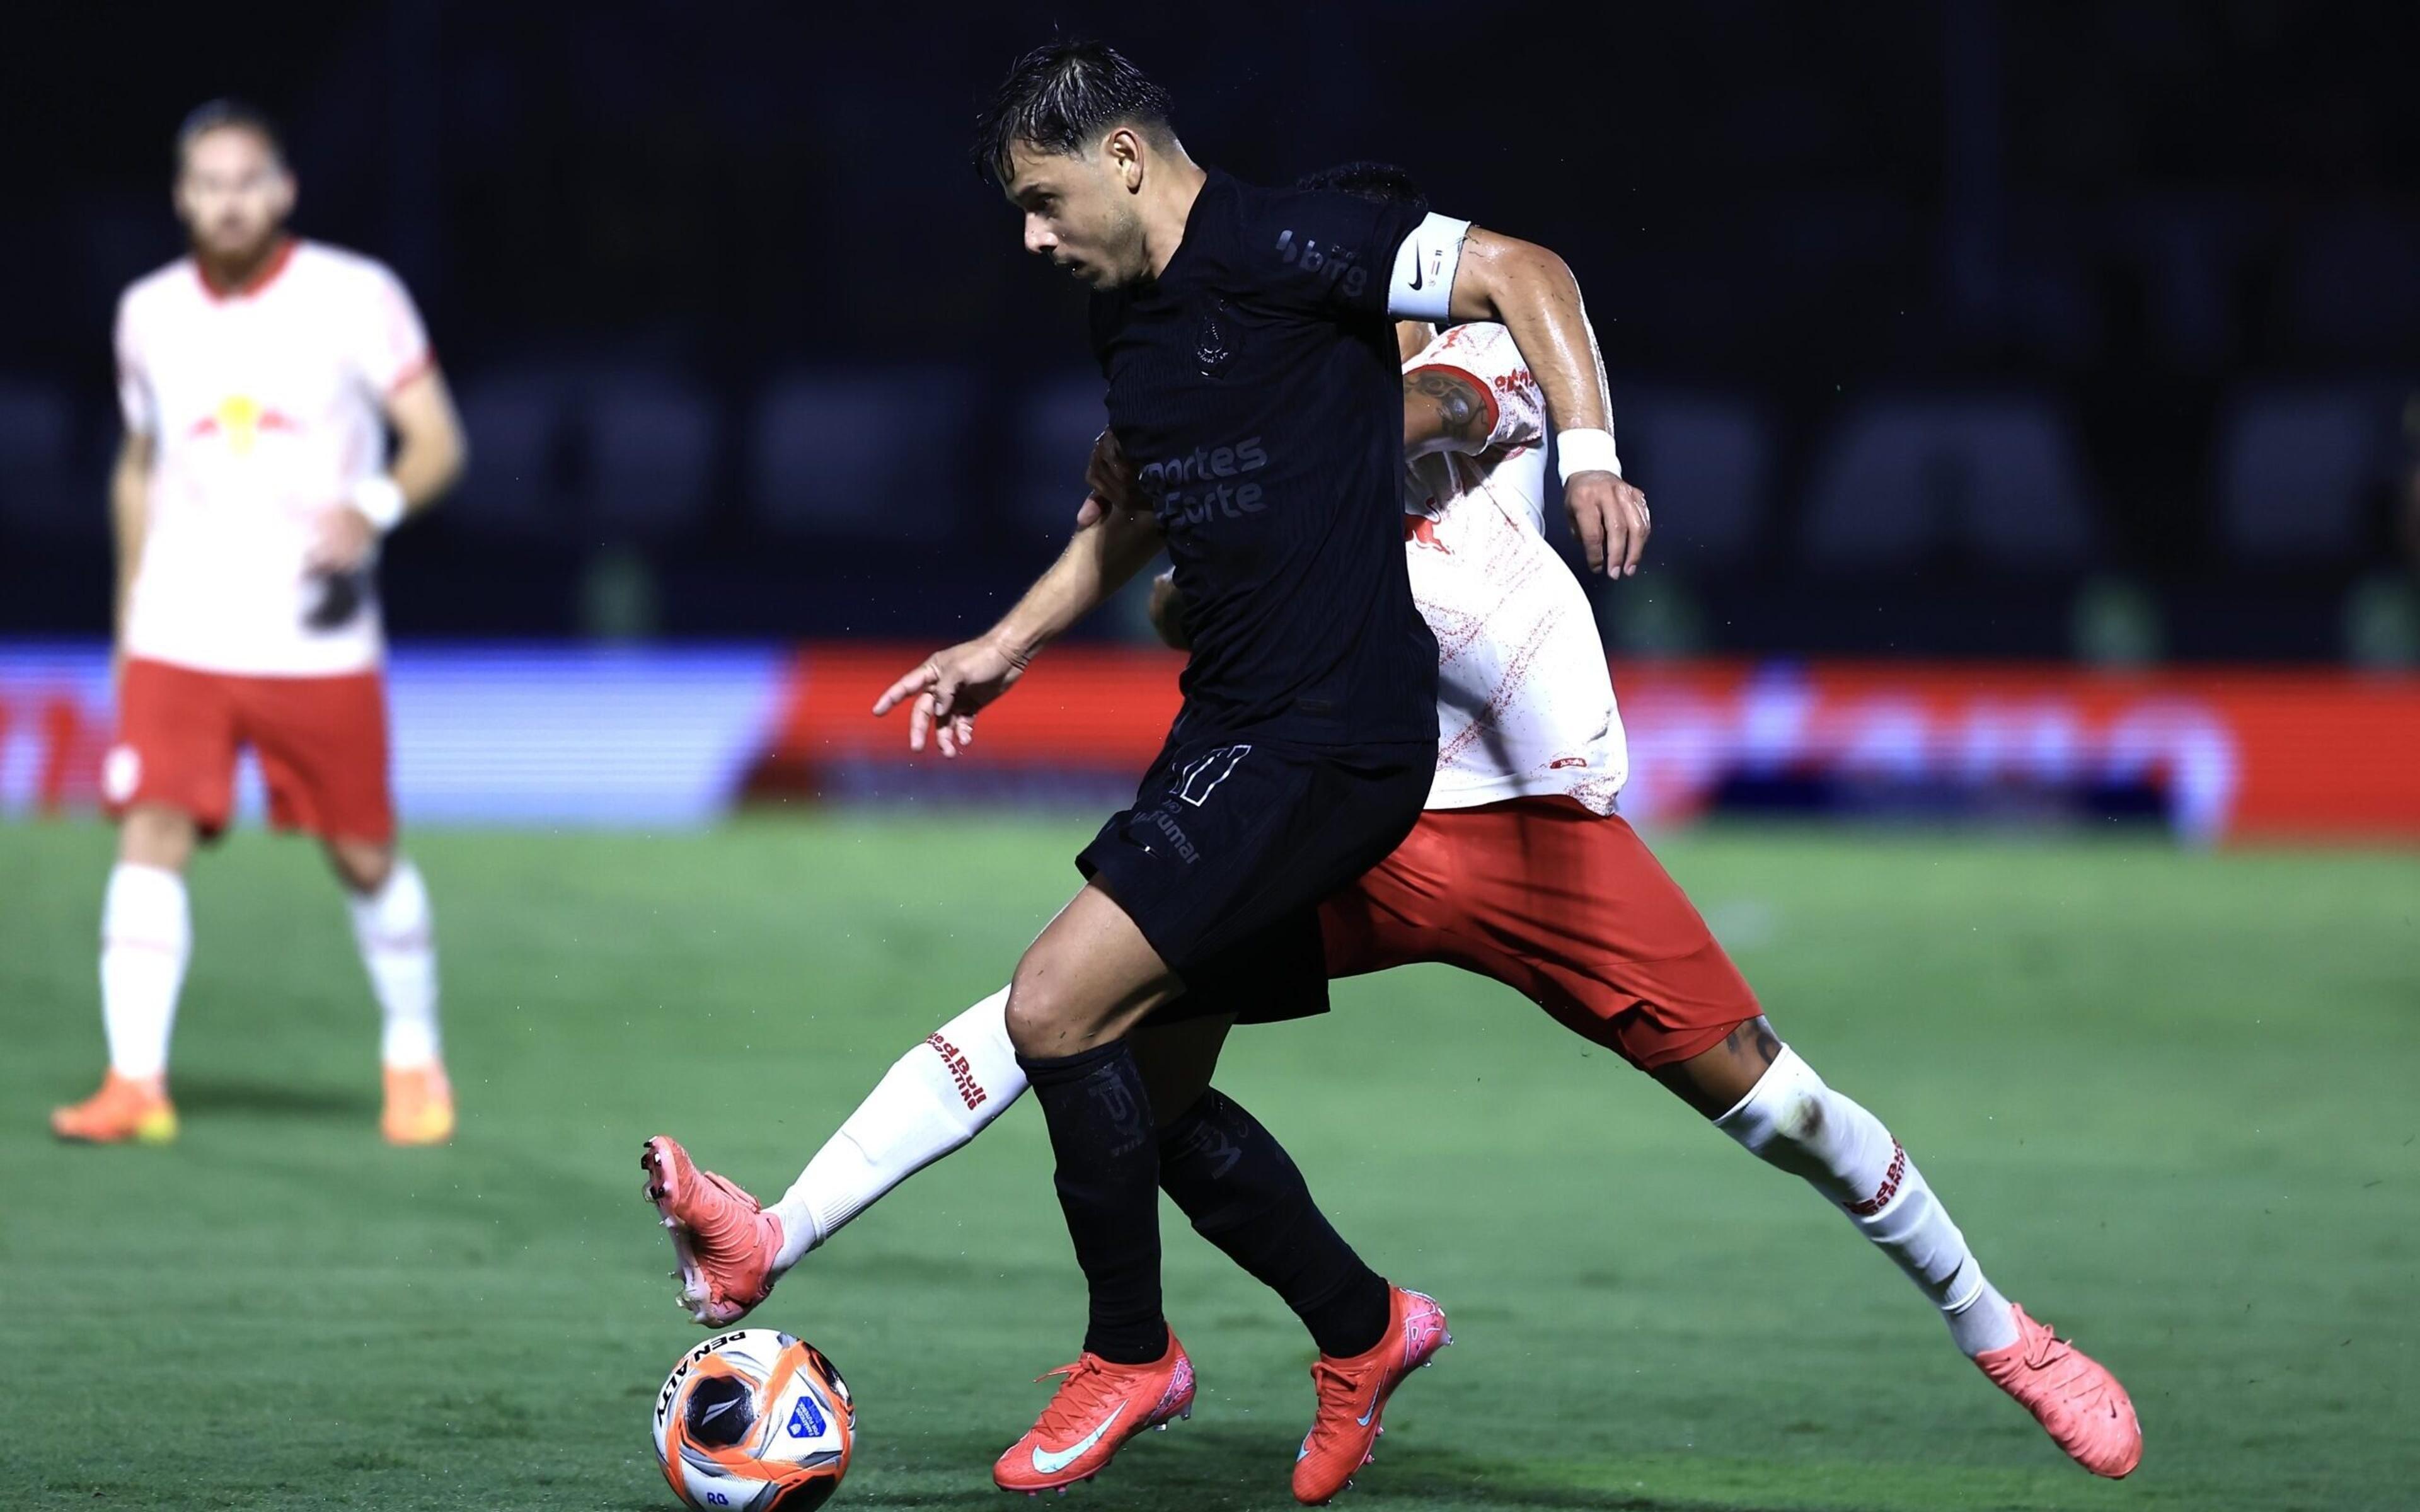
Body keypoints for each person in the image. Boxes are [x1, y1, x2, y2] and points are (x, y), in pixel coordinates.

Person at [645, 159, 2140, 1499]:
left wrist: (1258, 453)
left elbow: (1434, 416)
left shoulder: (1456, 361)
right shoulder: (1283, 404)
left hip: (1542, 833)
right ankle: (813, 1235)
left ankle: (2003, 1334)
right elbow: (1184, 592)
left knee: (1782, 1109)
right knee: (1078, 1033)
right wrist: (1164, 524)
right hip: (1356, 816)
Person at [646, 41, 1642, 1501]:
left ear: (1123, 156)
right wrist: (1011, 640)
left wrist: (1594, 460)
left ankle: (1130, 1354)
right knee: (1155, 1100)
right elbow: (1139, 519)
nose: (1034, 239)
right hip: (1232, 721)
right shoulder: (1131, 323)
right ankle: (1365, 1331)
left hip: (1329, 734)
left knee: (1055, 1011)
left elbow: (1531, 273)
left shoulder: (1292, 242)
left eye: (1045, 202)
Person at [50, 100, 468, 1148]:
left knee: (364, 854)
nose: (228, 200)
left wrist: (369, 507)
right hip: (179, 632)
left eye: (247, 180)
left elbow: (437, 444)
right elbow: (140, 468)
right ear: (181, 198)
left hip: (314, 640)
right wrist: (126, 620)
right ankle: (133, 1081)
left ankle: (413, 1059)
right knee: (149, 832)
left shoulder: (356, 296)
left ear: (281, 189)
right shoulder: (147, 312)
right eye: (207, 183)